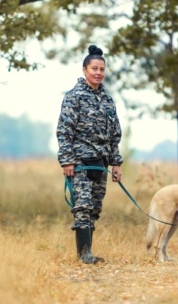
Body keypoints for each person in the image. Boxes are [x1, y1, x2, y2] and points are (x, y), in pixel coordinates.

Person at [56, 44, 123, 264]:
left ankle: (88, 252)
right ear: (85, 70)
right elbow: (64, 130)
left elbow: (115, 134)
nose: (98, 73)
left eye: (102, 69)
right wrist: (67, 160)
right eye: (94, 68)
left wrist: (116, 164)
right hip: (80, 163)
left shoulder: (108, 100)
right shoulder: (74, 97)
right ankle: (83, 254)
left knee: (94, 208)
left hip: (100, 164)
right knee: (82, 207)